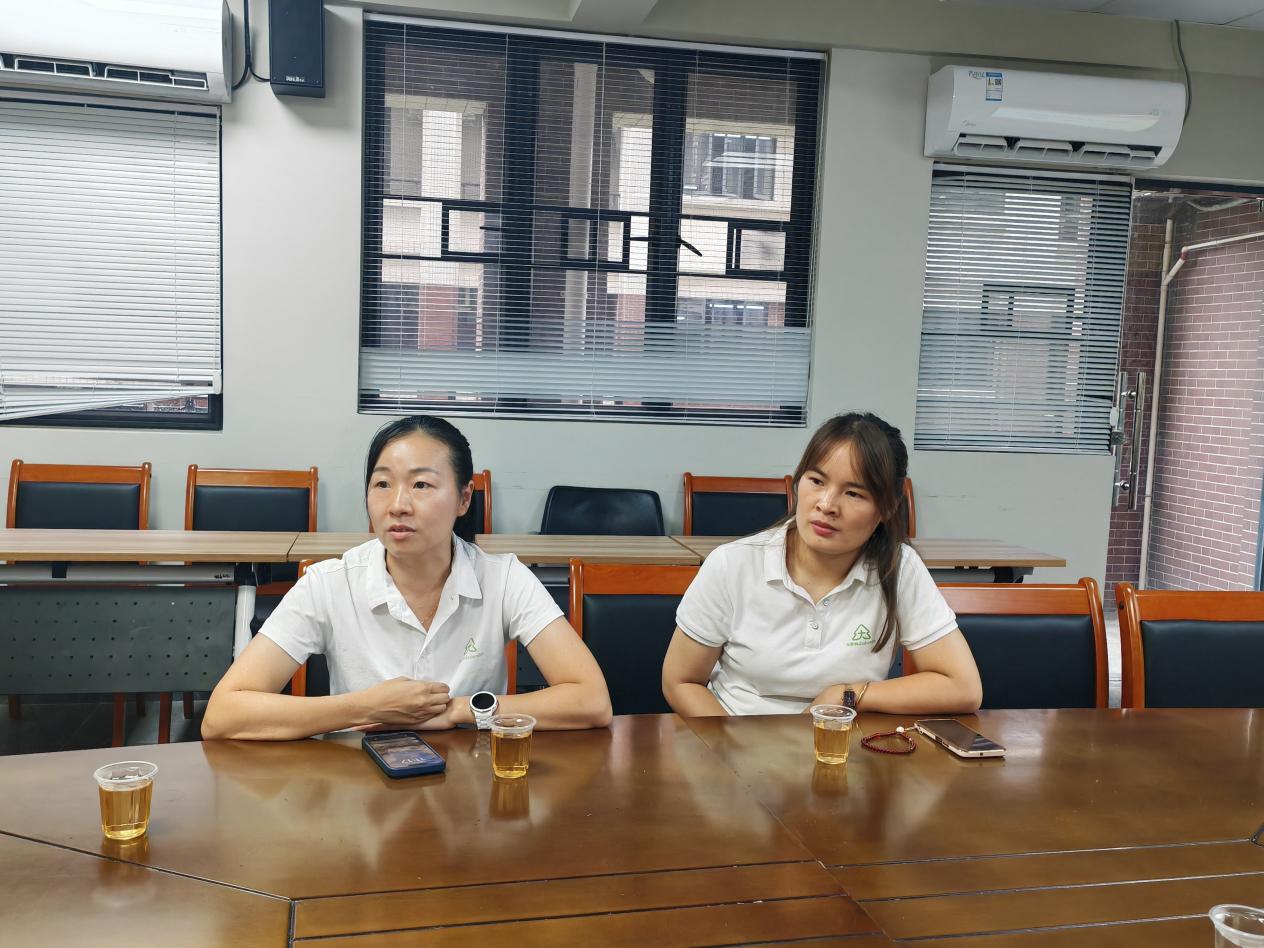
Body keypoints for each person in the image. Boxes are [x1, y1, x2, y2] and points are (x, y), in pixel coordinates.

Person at [203, 416, 612, 740]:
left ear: (464, 498)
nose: (397, 504)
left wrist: (457, 710)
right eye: (382, 483)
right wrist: (365, 707)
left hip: (471, 787)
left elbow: (591, 700)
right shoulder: (328, 583)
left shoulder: (504, 578)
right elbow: (223, 714)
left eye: (421, 484)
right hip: (358, 786)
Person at [662, 412, 982, 717]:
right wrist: (731, 745)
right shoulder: (733, 564)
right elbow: (681, 681)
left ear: (887, 508)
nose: (827, 505)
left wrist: (846, 695)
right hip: (737, 735)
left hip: (843, 743)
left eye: (854, 494)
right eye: (816, 481)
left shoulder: (898, 567)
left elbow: (963, 688)